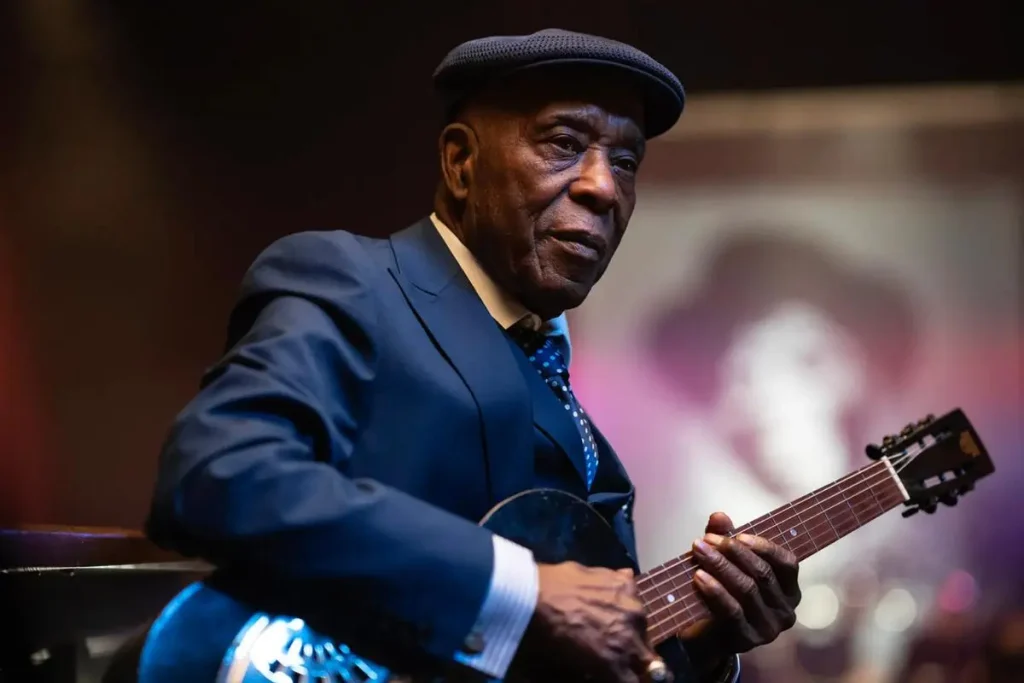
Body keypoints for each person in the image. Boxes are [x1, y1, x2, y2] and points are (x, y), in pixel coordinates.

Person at [144, 29, 801, 683]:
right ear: (460, 162)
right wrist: (516, 590)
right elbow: (219, 469)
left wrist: (703, 649)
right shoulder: (353, 280)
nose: (603, 186)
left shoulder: (585, 435)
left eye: (626, 162)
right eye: (565, 144)